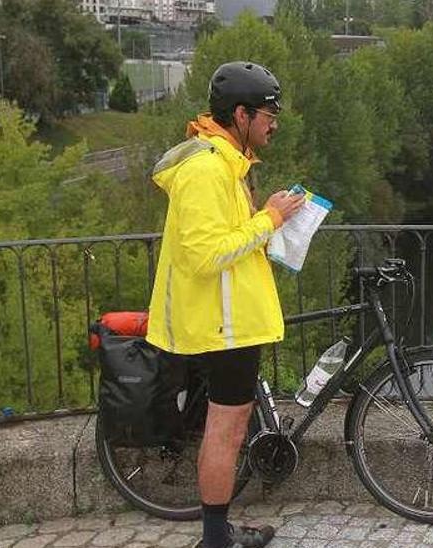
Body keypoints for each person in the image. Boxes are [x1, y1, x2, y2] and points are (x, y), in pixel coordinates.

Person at [145, 61, 305, 548]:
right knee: (226, 430)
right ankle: (215, 539)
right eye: (267, 113)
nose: (274, 122)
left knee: (227, 426)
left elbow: (223, 237)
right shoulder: (206, 169)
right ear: (241, 114)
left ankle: (218, 532)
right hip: (223, 325)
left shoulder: (228, 164)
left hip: (231, 319)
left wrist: (263, 215)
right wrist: (269, 221)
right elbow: (204, 254)